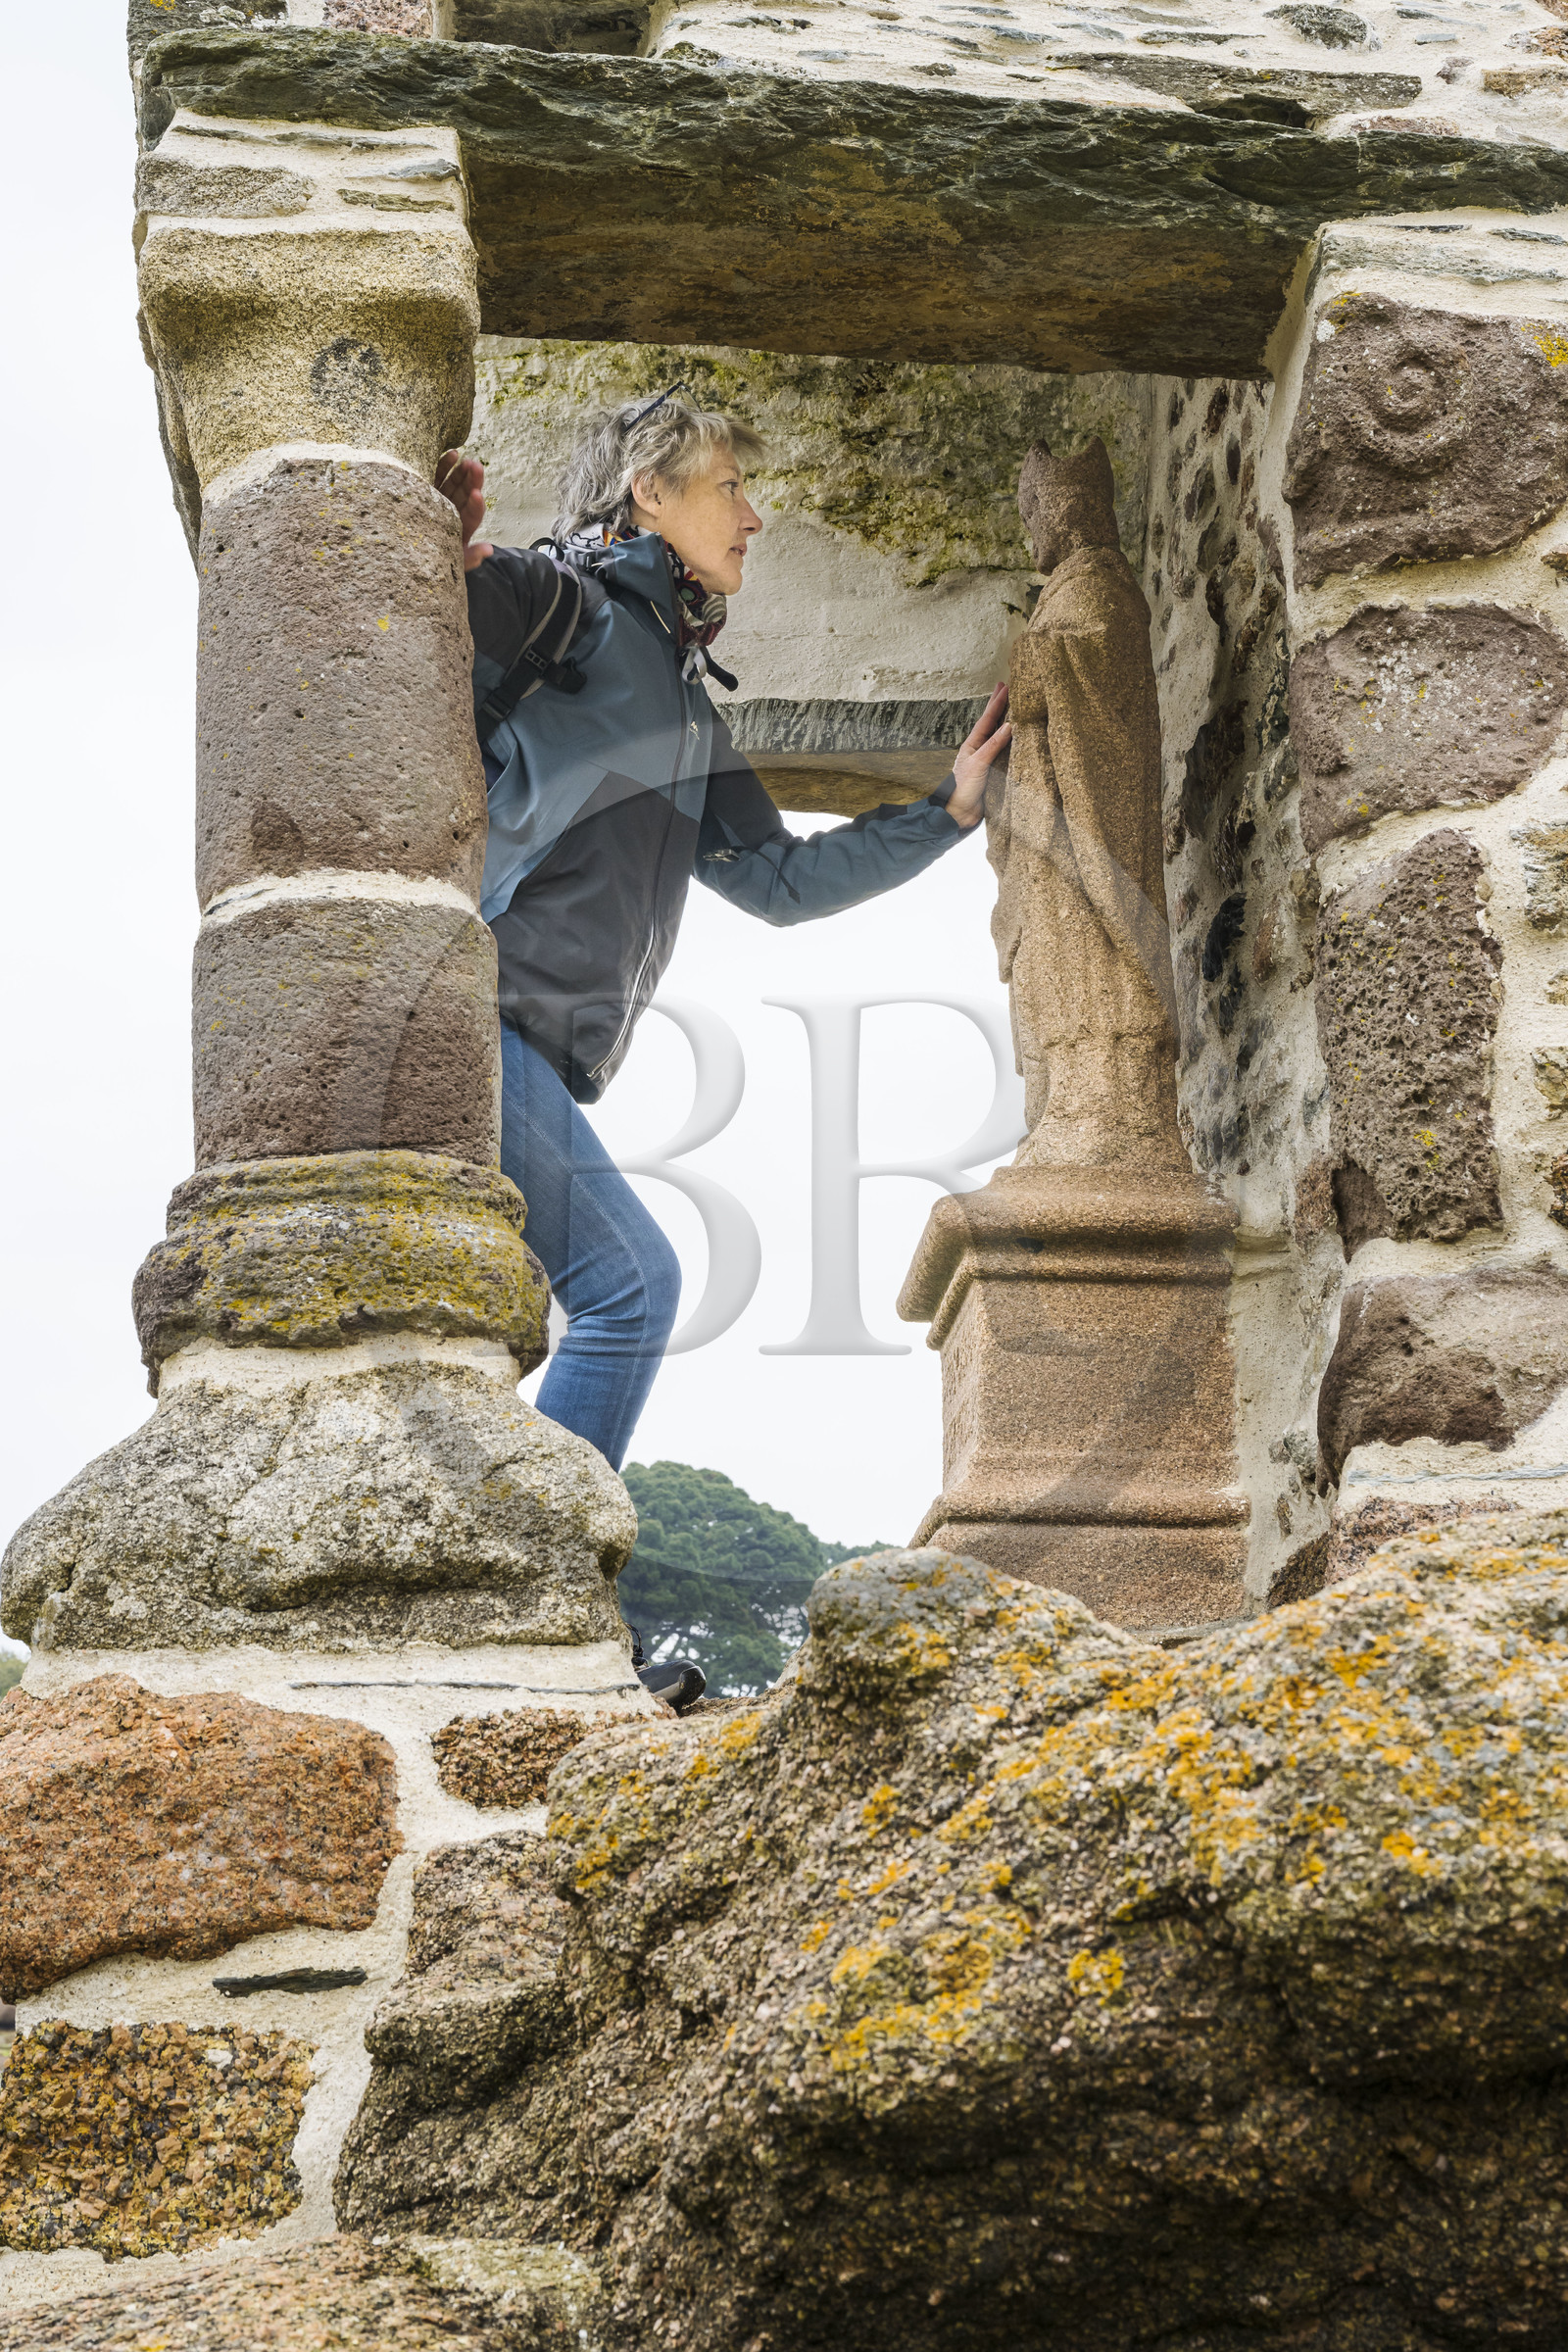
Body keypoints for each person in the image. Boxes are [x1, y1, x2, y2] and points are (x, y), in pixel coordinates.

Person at [436, 390, 1012, 1490]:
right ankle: (547, 1594)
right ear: (650, 495)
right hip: (479, 1019)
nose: (752, 519)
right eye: (730, 488)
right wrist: (429, 532)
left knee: (523, 1321)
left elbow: (778, 879)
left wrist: (945, 814)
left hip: (539, 1051)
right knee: (631, 1286)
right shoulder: (572, 607)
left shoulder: (686, 705)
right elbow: (447, 600)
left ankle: (515, 1596)